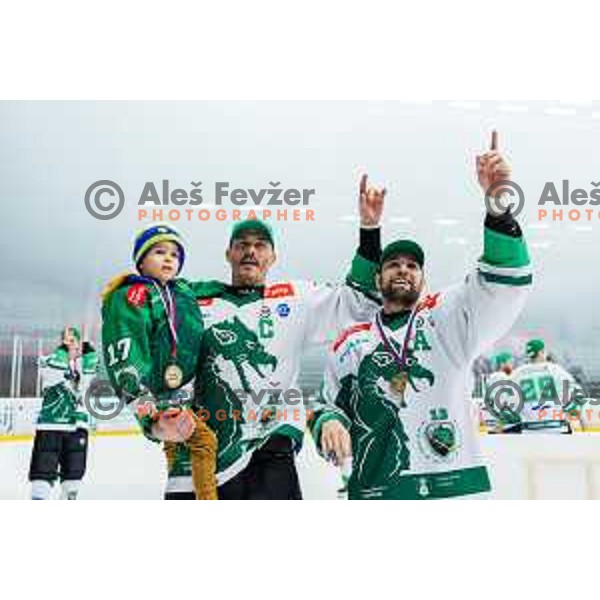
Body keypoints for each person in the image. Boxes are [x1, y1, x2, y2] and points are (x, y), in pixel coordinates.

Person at [313, 131, 533, 499]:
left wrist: (497, 200)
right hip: (377, 493)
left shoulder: (447, 318)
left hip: (453, 489)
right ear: (377, 278)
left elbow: (501, 284)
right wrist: (329, 423)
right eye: (393, 264)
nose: (403, 270)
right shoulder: (350, 342)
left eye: (413, 265)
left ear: (423, 279)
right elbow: (326, 404)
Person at [154, 175, 385, 499]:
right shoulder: (192, 302)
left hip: (270, 451)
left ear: (272, 257)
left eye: (260, 245)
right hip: (202, 454)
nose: (251, 251)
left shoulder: (294, 298)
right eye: (242, 245)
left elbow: (357, 302)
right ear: (229, 254)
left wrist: (369, 230)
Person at [101, 224, 218, 499]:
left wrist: (237, 289)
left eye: (175, 255)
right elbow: (124, 351)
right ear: (141, 261)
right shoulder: (132, 295)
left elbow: (214, 289)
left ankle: (179, 491)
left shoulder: (183, 291)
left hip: (182, 393)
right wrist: (145, 407)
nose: (169, 258)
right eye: (159, 251)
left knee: (178, 449)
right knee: (204, 442)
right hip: (155, 395)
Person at [29, 326, 98, 500]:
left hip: (78, 427)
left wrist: (89, 357)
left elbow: (86, 387)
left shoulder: (83, 366)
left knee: (73, 479)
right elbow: (54, 374)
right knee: (42, 475)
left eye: (74, 341)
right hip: (51, 424)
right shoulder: (48, 360)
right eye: (67, 341)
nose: (71, 345)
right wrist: (63, 351)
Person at [509, 339, 586, 433]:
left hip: (529, 430)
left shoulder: (517, 374)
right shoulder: (556, 370)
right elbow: (576, 396)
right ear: (541, 352)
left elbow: (510, 404)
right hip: (555, 428)